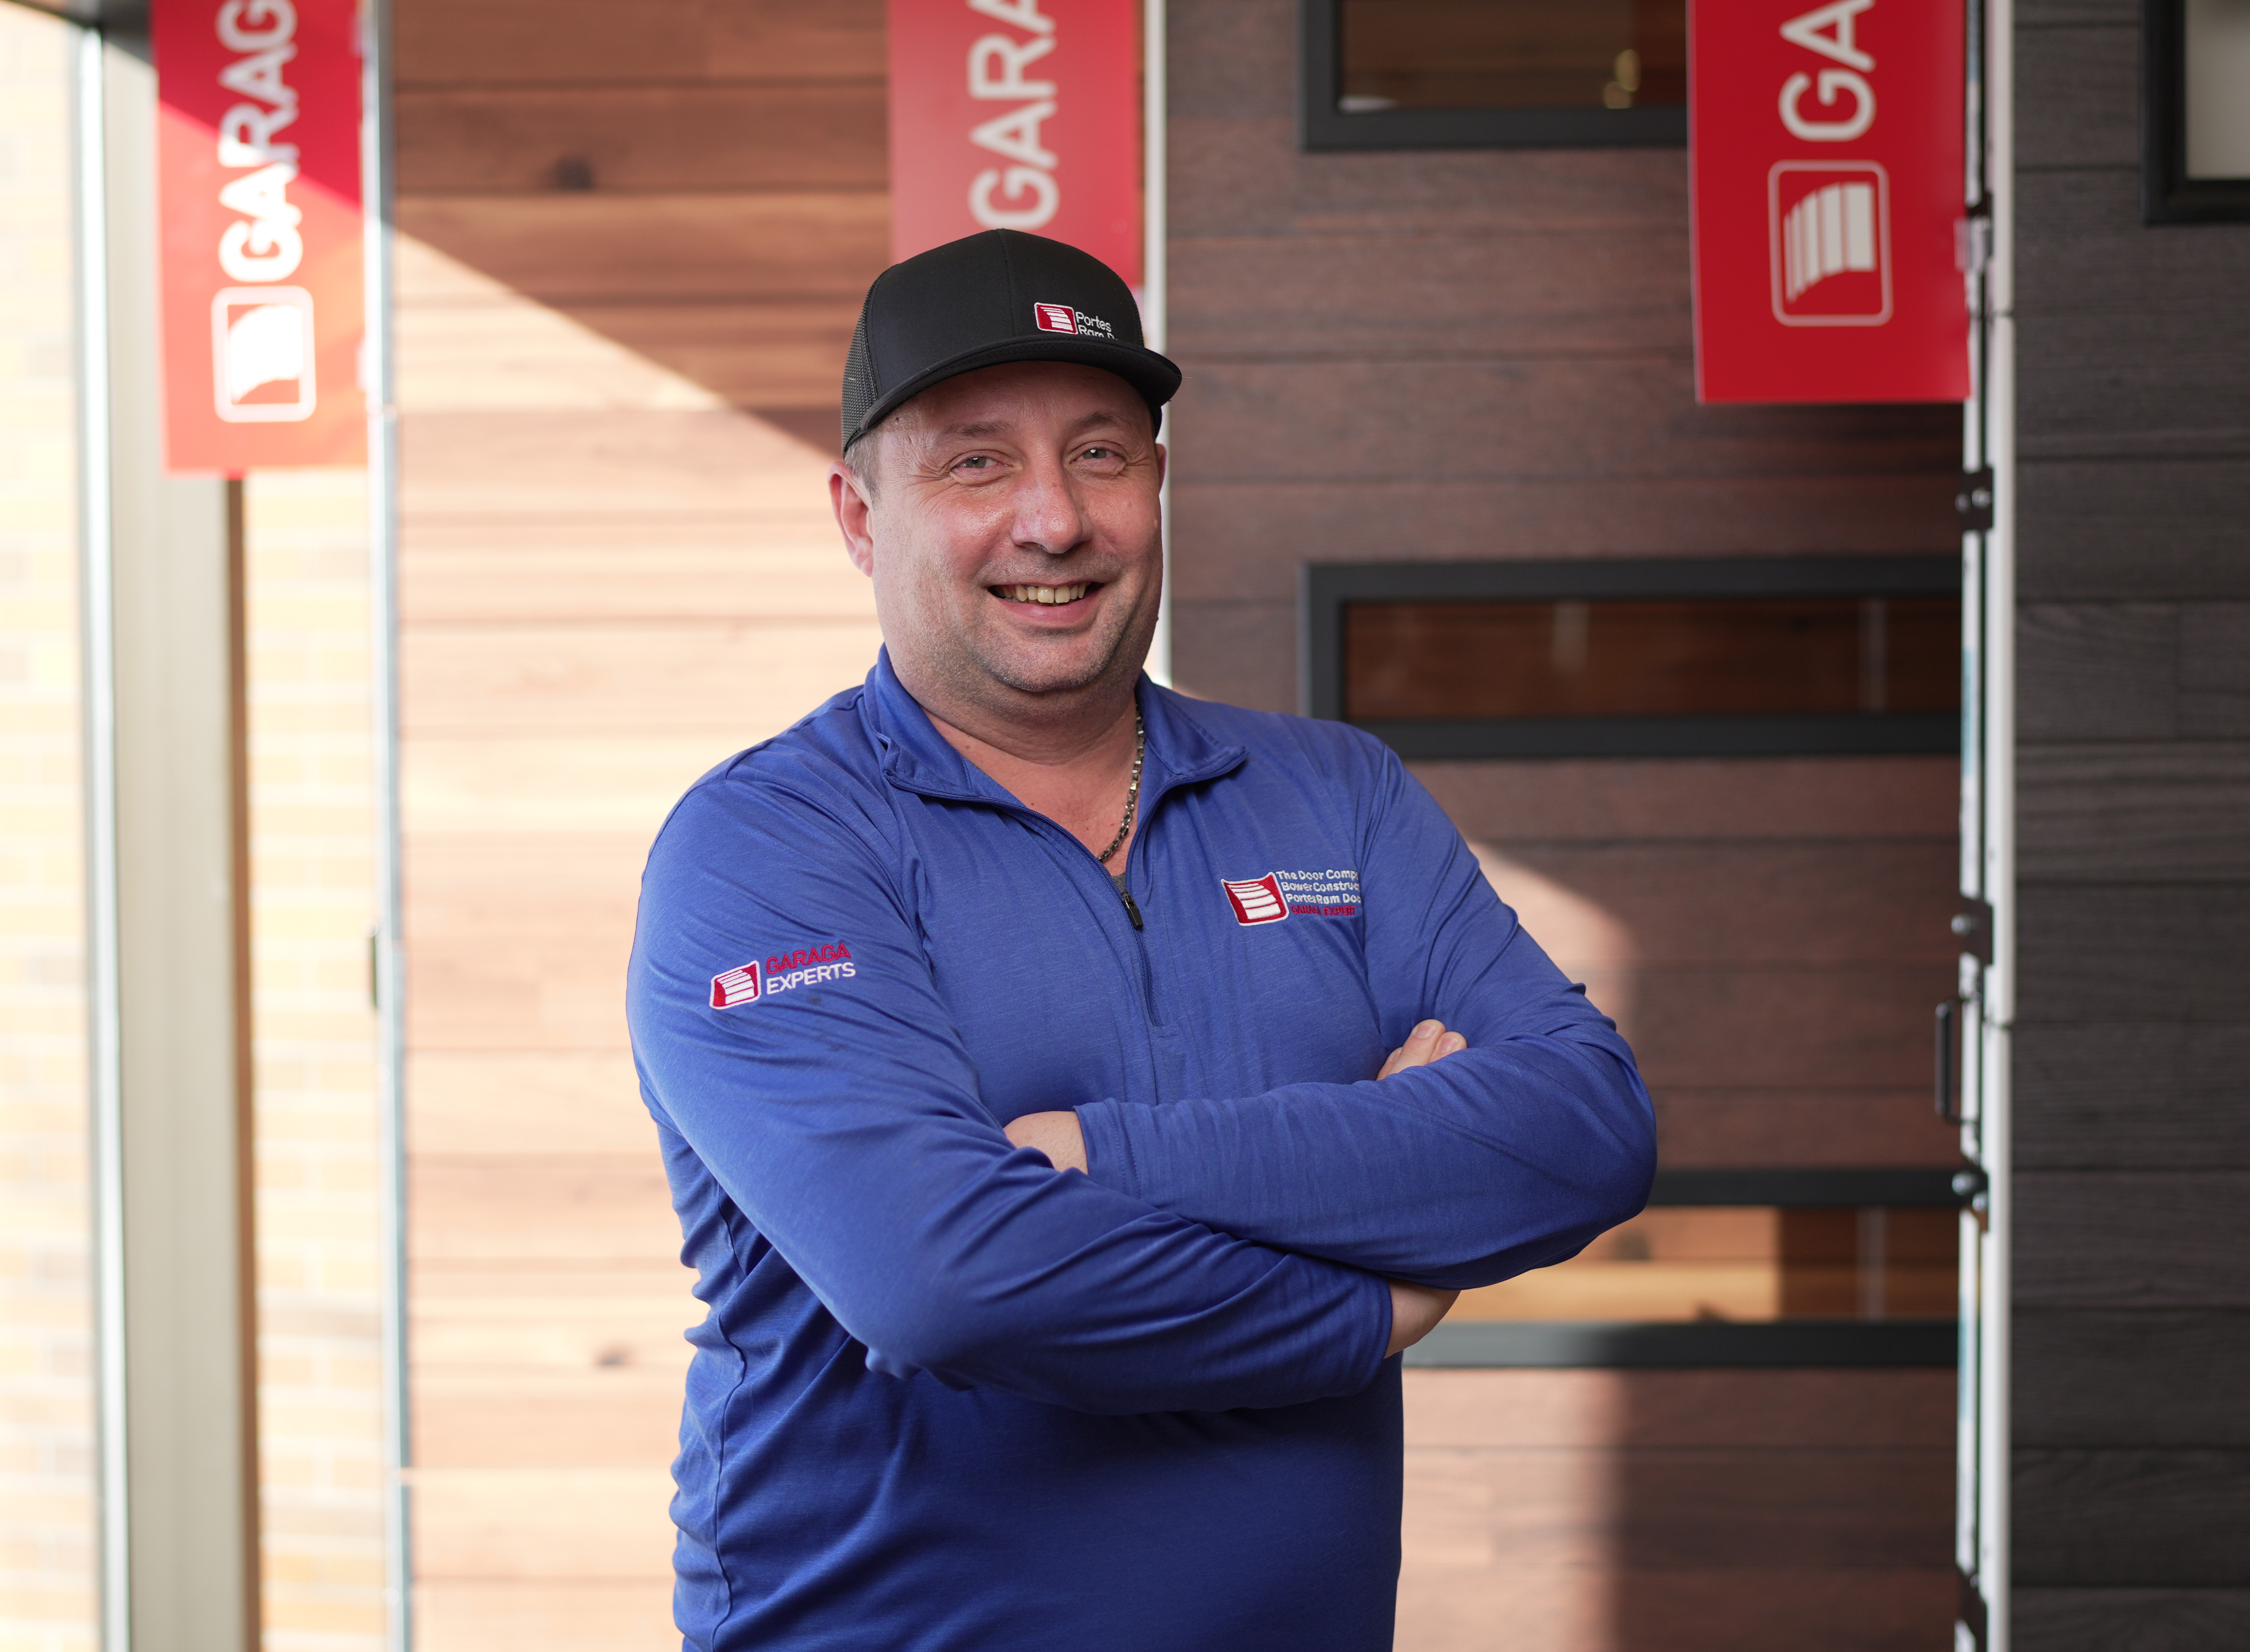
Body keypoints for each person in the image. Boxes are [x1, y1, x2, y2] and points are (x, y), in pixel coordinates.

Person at [625, 229, 1656, 1652]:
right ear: (861, 516)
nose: (1054, 520)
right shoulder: (773, 849)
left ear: (1158, 484)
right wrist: (1375, 1300)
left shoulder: (1333, 796)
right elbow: (943, 1282)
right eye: (976, 463)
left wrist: (1102, 1161)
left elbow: (1585, 1131)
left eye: (1103, 454)